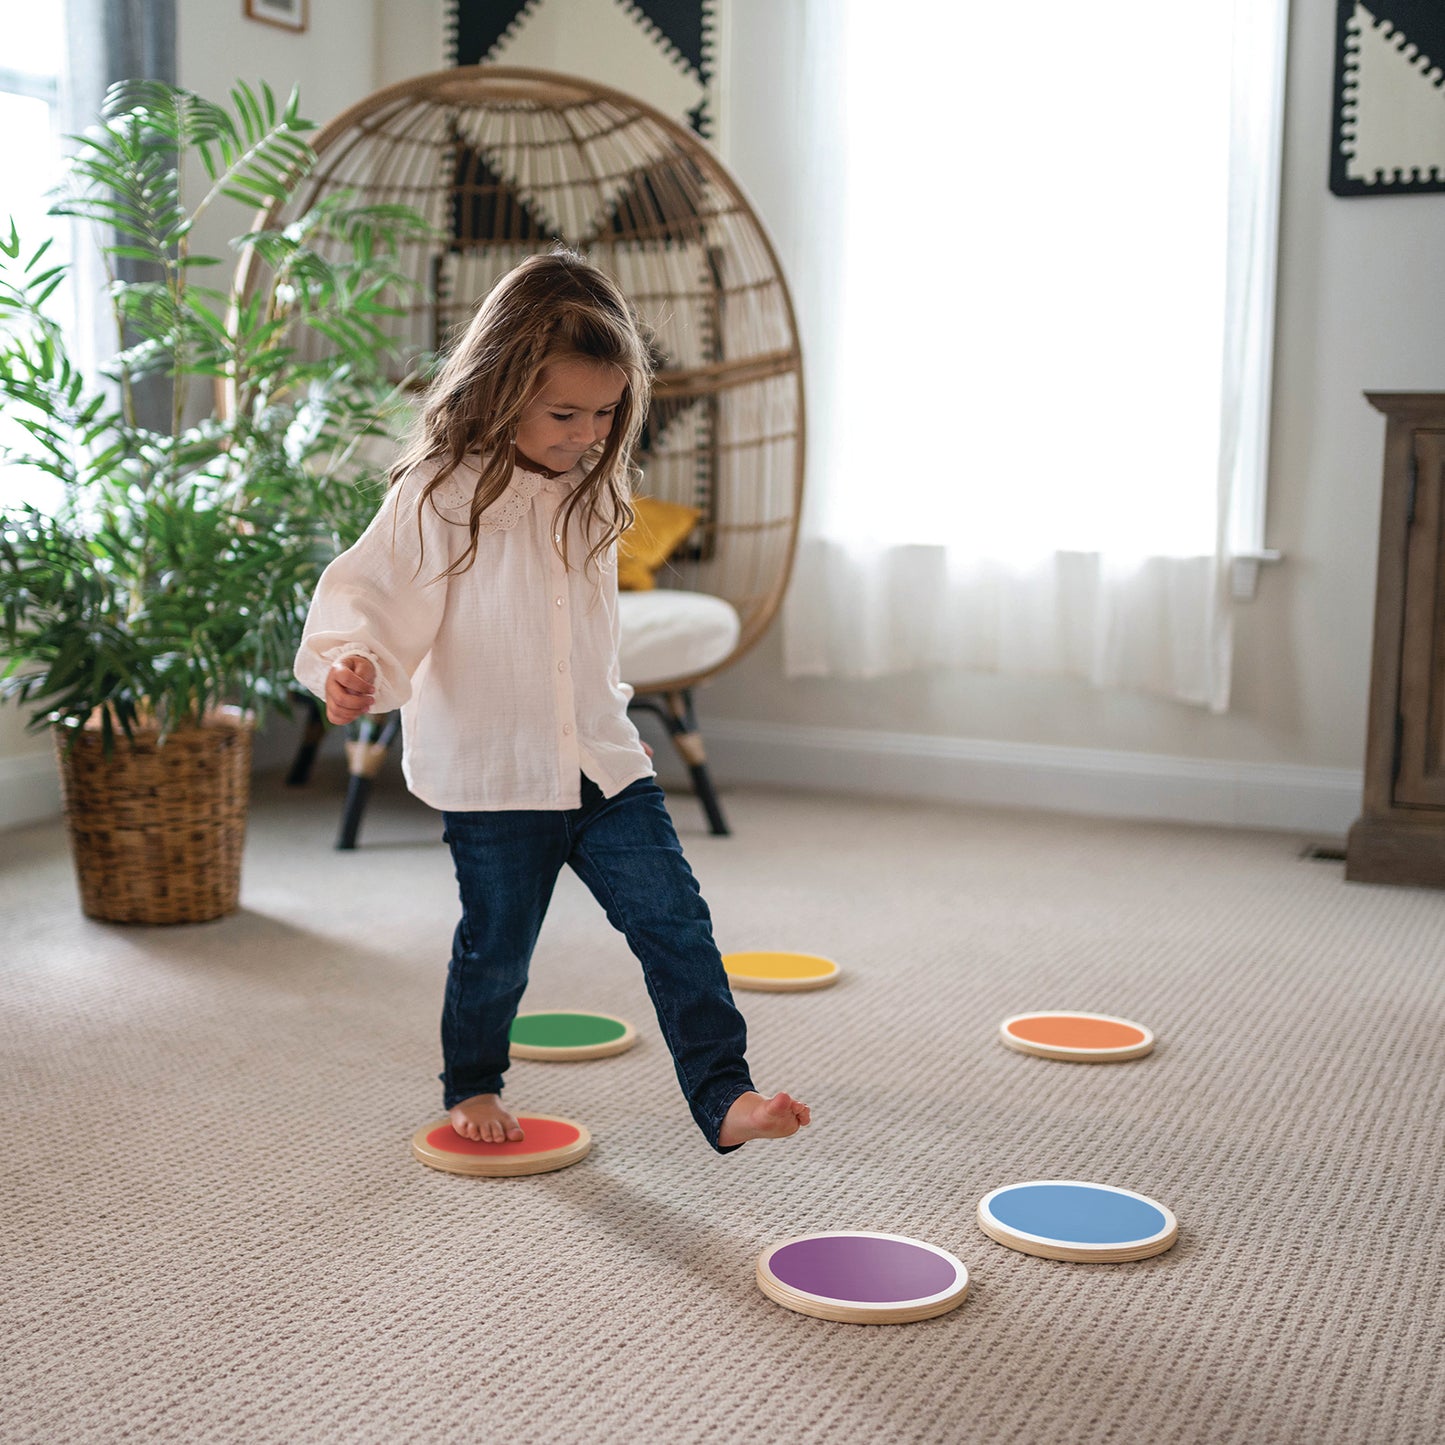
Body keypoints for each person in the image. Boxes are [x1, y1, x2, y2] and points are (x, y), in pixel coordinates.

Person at [294, 249, 810, 1155]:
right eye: (563, 413)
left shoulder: (593, 489)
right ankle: (473, 1081)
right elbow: (373, 598)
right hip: (493, 776)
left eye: (605, 412)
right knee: (497, 946)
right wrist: (354, 665)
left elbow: (584, 637)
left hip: (601, 764)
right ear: (498, 390)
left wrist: (609, 721)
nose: (586, 431)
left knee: (675, 920)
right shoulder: (441, 492)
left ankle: (723, 1092)